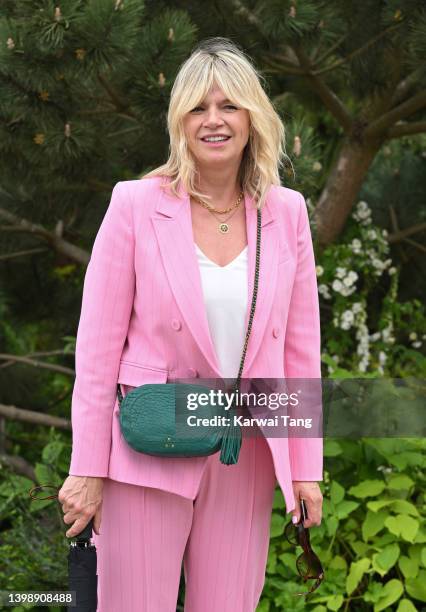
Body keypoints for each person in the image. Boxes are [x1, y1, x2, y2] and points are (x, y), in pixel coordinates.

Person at [58, 37, 323, 612]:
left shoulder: (288, 212)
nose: (214, 120)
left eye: (228, 105)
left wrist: (305, 468)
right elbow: (96, 354)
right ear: (180, 120)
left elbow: (301, 351)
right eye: (198, 108)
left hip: (244, 455)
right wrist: (87, 468)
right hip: (148, 450)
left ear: (253, 117)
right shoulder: (134, 205)